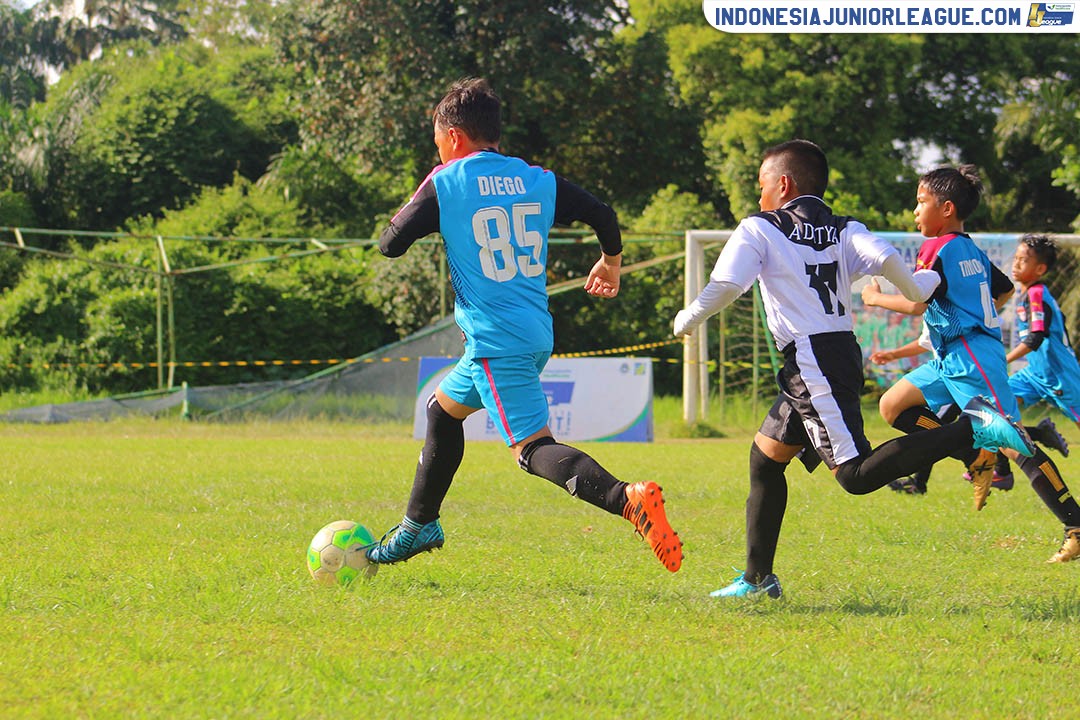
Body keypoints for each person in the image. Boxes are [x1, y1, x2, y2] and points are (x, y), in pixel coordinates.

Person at [672, 140, 1033, 599]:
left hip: (812, 361)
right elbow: (884, 258)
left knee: (855, 476)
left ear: (783, 184)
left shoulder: (760, 227)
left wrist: (686, 320)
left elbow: (727, 284)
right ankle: (759, 580)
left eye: (761, 184)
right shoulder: (845, 228)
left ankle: (972, 427)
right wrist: (913, 287)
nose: (759, 195)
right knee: (766, 457)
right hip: (834, 352)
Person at [365, 77, 683, 572]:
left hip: (496, 340)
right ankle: (419, 524)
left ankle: (627, 499)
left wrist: (427, 190)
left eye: (438, 143)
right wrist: (610, 262)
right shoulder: (537, 179)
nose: (439, 152)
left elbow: (390, 244)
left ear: (453, 137)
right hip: (532, 331)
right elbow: (602, 213)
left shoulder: (447, 182)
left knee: (532, 449)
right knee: (442, 411)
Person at [862, 168, 1076, 562]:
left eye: (921, 202)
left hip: (972, 356)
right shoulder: (969, 248)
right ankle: (973, 455)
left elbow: (917, 303)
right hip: (949, 356)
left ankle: (1075, 524)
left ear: (946, 208)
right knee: (893, 405)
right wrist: (974, 314)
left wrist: (874, 298)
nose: (915, 211)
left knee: (1014, 443)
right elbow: (1004, 289)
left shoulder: (938, 247)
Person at [999, 234, 1079, 561]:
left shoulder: (1036, 294)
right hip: (1035, 374)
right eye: (1016, 258)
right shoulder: (1023, 293)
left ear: (1041, 269)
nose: (1017, 264)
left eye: (1024, 260)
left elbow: (1036, 337)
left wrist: (1002, 359)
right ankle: (1001, 471)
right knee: (995, 408)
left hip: (1060, 376)